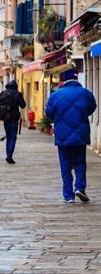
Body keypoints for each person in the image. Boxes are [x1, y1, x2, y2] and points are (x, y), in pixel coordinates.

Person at [45, 69, 97, 203]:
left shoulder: (56, 95)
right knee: (80, 162)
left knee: (65, 164)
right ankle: (80, 187)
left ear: (63, 80)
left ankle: (68, 195)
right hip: (81, 133)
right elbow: (92, 108)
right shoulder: (86, 93)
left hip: (62, 134)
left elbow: (49, 113)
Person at [0, 80, 27, 164]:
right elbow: (23, 105)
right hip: (14, 118)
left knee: (8, 136)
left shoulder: (3, 93)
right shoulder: (17, 94)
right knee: (13, 137)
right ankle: (9, 155)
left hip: (5, 119)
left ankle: (8, 154)